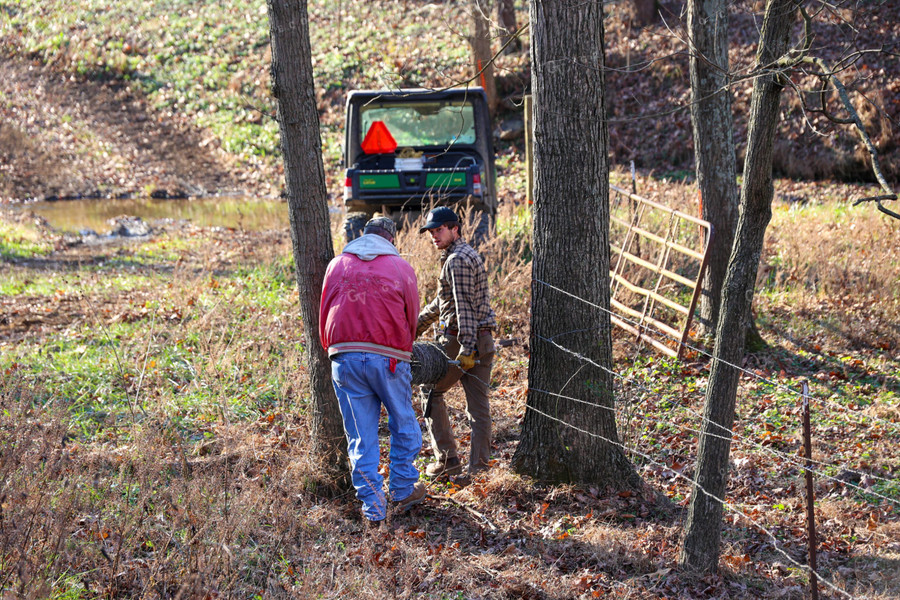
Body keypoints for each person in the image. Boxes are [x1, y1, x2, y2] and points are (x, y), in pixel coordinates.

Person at [319, 216, 426, 524]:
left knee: (360, 437)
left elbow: (325, 306)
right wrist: (404, 344)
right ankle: (403, 490)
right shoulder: (400, 268)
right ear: (390, 240)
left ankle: (374, 509)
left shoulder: (337, 265)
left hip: (345, 355)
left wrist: (332, 345)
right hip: (389, 357)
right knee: (403, 424)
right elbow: (412, 313)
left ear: (363, 236)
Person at [416, 207, 497, 479]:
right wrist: (416, 326)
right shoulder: (462, 255)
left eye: (439, 230)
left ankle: (448, 461)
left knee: (430, 391)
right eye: (430, 231)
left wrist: (465, 348)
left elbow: (464, 309)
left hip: (462, 340)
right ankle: (479, 472)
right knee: (478, 408)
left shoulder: (456, 260)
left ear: (455, 229)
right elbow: (443, 302)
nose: (433, 236)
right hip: (483, 340)